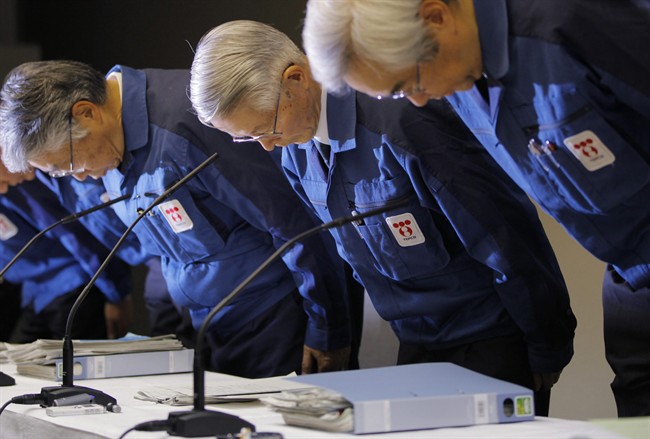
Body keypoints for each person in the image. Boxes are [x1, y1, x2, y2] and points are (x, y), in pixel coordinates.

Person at [188, 20, 577, 415]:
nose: (267, 146)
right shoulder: (297, 148)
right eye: (248, 138)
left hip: (493, 339)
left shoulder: (401, 120)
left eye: (264, 128)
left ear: (296, 77)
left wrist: (547, 342)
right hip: (416, 341)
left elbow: (504, 234)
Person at [301, 0, 650, 417]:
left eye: (407, 83)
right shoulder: (463, 81)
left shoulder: (570, 22)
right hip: (628, 272)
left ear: (436, 17)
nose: (415, 101)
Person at [0, 60, 354, 379]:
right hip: (207, 327)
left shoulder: (187, 121)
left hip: (273, 317)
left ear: (86, 113)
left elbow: (296, 225)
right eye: (61, 173)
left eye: (71, 163)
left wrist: (328, 328)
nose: (79, 178)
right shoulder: (103, 145)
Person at [0, 160, 133, 342]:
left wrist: (116, 294)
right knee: (14, 364)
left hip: (73, 284)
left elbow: (73, 235)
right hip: (35, 291)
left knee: (76, 366)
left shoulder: (22, 185)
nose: (3, 189)